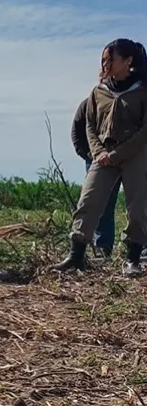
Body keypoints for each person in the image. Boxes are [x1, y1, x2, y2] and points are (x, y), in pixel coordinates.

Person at [53, 39, 147, 277]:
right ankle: (76, 257)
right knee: (88, 201)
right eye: (103, 59)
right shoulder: (98, 92)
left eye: (109, 59)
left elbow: (145, 132)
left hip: (135, 155)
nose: (105, 64)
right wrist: (98, 152)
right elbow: (89, 125)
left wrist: (117, 154)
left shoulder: (142, 89)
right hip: (103, 156)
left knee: (137, 209)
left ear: (127, 61)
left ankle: (133, 259)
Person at [71, 97, 120, 258]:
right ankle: (102, 249)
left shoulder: (133, 98)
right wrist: (90, 155)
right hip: (97, 160)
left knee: (138, 202)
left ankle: (140, 248)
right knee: (99, 205)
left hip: (128, 158)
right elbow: (77, 132)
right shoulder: (88, 103)